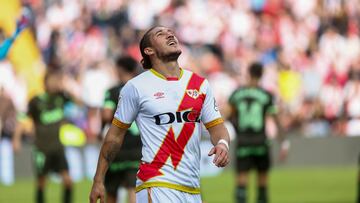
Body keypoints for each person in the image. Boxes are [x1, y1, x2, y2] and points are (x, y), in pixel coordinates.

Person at [90, 26, 230, 203]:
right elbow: (114, 137)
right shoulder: (136, 87)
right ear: (149, 50)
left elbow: (217, 127)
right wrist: (98, 180)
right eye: (160, 34)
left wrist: (223, 144)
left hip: (192, 188)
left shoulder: (200, 84)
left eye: (170, 31)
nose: (170, 34)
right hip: (156, 183)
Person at [225, 62, 289, 203]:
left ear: (249, 73)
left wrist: (235, 128)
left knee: (241, 182)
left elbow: (228, 114)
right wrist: (284, 142)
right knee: (262, 183)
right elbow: (276, 120)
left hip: (243, 142)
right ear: (261, 75)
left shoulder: (237, 94)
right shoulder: (266, 95)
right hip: (261, 141)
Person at [13, 70, 73, 203]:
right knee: (41, 183)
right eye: (52, 80)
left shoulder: (61, 98)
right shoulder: (35, 101)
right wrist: (16, 139)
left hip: (58, 147)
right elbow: (22, 119)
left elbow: (80, 103)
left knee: (68, 181)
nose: (55, 83)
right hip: (41, 148)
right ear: (45, 83)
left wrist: (66, 87)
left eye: (57, 80)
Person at [101, 56, 142, 203]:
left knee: (112, 190)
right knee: (133, 188)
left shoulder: (112, 91)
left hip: (117, 146)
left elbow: (106, 115)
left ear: (119, 69)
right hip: (138, 146)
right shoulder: (141, 89)